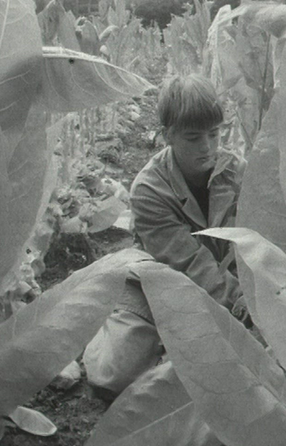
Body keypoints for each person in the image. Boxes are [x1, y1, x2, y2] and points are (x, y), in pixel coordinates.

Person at [84, 74, 249, 398]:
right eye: (192, 138)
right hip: (156, 280)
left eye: (214, 134)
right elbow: (188, 262)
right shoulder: (148, 189)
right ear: (167, 136)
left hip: (225, 283)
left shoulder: (237, 171)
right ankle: (103, 323)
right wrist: (243, 307)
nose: (207, 147)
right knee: (113, 376)